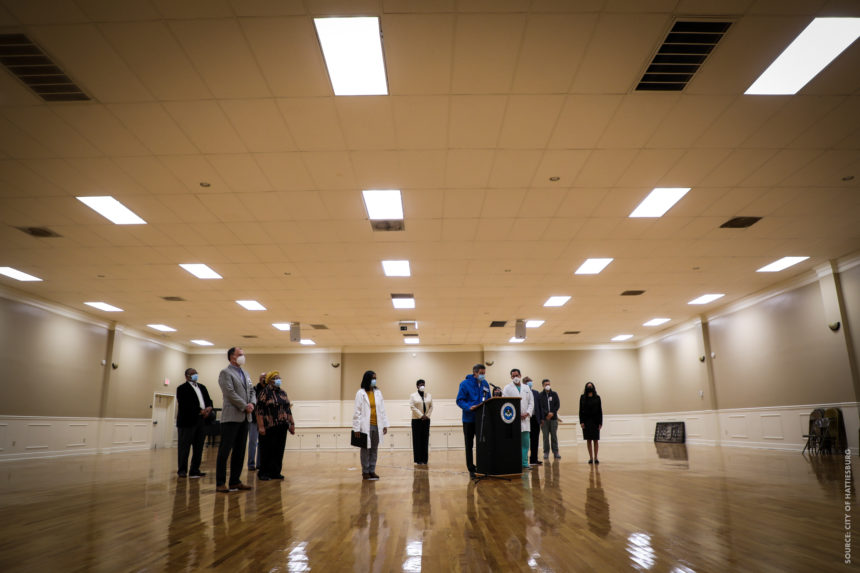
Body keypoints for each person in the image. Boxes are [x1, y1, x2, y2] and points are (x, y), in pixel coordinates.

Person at [215, 346, 256, 493]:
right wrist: (244, 405)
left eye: (243, 354)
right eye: (240, 354)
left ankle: (235, 481)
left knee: (240, 450)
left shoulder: (245, 373)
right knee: (225, 451)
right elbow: (229, 392)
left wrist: (252, 403)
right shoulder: (225, 373)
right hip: (231, 417)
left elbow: (251, 391)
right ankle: (220, 482)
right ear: (232, 356)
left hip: (245, 417)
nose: (242, 357)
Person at [256, 370, 294, 481]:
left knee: (279, 450)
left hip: (282, 425)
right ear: (270, 380)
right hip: (269, 426)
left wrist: (292, 423)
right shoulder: (264, 392)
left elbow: (288, 409)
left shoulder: (283, 392)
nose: (278, 380)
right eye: (275, 378)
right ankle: (263, 472)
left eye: (279, 377)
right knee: (267, 450)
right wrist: (261, 426)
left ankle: (275, 472)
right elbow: (259, 411)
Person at [175, 367, 213, 478]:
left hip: (201, 421)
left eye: (196, 373)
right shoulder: (181, 388)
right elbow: (184, 404)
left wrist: (209, 408)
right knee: (184, 447)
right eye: (192, 373)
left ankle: (195, 470)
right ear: (187, 376)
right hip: (187, 421)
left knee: (199, 446)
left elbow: (208, 400)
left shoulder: (202, 387)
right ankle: (182, 470)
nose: (195, 375)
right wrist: (199, 411)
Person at [352, 370, 389, 481]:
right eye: (373, 378)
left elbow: (382, 410)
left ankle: (372, 470)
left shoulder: (378, 392)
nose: (375, 380)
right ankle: (365, 471)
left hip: (377, 425)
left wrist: (385, 424)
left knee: (374, 449)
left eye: (375, 378)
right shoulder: (361, 393)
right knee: (365, 449)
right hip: (365, 426)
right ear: (367, 379)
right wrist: (356, 428)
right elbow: (357, 411)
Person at [456, 364, 491, 478]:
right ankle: (471, 468)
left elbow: (489, 399)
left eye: (484, 373)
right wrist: (469, 407)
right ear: (474, 373)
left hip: (482, 419)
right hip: (469, 419)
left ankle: (482, 466)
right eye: (481, 373)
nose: (483, 375)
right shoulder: (465, 384)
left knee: (482, 444)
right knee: (469, 444)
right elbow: (459, 400)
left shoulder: (485, 384)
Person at [502, 368, 535, 470]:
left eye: (517, 375)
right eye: (513, 376)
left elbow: (531, 402)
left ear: (520, 376)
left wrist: (527, 413)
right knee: (514, 444)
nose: (515, 377)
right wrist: (516, 415)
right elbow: (505, 404)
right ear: (511, 377)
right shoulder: (507, 388)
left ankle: (524, 463)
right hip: (513, 420)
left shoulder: (526, 388)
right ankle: (514, 462)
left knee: (525, 443)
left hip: (525, 420)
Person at [409, 379, 433, 466]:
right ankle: (418, 459)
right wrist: (421, 415)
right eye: (420, 384)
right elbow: (412, 407)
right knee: (417, 440)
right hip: (416, 420)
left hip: (426, 420)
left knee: (425, 439)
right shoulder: (413, 396)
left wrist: (427, 416)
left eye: (423, 384)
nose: (422, 386)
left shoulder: (429, 395)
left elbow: (431, 407)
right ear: (417, 386)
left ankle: (424, 459)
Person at [579, 381, 603, 464]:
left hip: (595, 421)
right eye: (588, 386)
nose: (589, 387)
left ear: (593, 387)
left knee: (596, 440)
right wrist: (581, 422)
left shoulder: (597, 397)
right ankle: (590, 458)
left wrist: (600, 422)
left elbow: (600, 410)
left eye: (591, 386)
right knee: (588, 440)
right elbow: (580, 411)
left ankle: (596, 458)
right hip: (586, 421)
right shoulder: (582, 397)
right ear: (586, 388)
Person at [246, 372, 266, 471]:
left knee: (262, 443)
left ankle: (260, 464)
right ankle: (251, 464)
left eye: (265, 377)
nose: (264, 379)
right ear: (259, 379)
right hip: (254, 420)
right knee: (253, 442)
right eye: (262, 377)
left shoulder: (268, 390)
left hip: (264, 421)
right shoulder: (254, 389)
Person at [538, 378, 561, 460]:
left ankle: (556, 452)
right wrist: (547, 413)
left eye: (549, 384)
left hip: (554, 419)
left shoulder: (554, 394)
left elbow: (557, 405)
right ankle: (546, 452)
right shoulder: (540, 395)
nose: (548, 386)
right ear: (543, 385)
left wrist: (552, 413)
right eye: (546, 385)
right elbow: (540, 407)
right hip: (544, 419)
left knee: (554, 436)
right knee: (545, 437)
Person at [526, 377, 543, 466]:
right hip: (526, 419)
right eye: (528, 382)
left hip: (535, 419)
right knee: (525, 441)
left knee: (535, 440)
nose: (530, 383)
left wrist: (541, 418)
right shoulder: (522, 392)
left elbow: (540, 407)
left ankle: (534, 459)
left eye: (530, 382)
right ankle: (524, 460)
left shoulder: (536, 393)